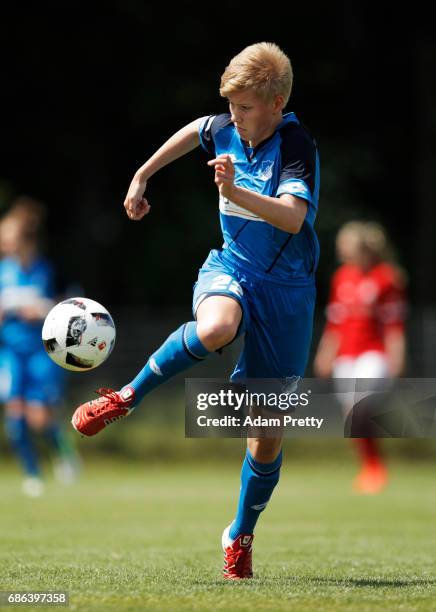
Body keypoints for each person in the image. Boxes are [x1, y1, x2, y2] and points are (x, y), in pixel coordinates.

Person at [72, 42, 320, 579]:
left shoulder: (295, 144)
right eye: (230, 107)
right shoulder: (228, 125)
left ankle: (240, 534)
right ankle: (126, 396)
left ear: (276, 102)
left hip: (289, 293)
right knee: (217, 326)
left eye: (246, 108)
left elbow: (293, 219)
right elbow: (196, 129)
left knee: (267, 433)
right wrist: (142, 175)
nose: (234, 118)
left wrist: (233, 190)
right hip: (231, 268)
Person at [314, 221, 407, 494]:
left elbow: (394, 324)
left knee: (359, 405)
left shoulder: (387, 278)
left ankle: (375, 466)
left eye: (345, 246)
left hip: (374, 353)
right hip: (347, 355)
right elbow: (335, 323)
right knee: (352, 417)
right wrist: (325, 354)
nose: (341, 251)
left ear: (362, 248)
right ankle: (371, 467)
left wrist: (397, 356)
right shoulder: (342, 277)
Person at [0, 197, 79, 497]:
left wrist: (44, 308)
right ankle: (32, 474)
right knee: (15, 418)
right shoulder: (2, 271)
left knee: (38, 416)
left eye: (7, 237)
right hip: (10, 353)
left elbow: (72, 305)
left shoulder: (49, 270)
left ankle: (63, 454)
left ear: (24, 239)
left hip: (41, 353)